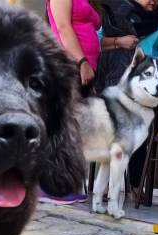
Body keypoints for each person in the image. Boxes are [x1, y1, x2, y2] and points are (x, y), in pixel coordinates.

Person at [95, 0, 158, 198]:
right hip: (114, 81)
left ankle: (135, 186)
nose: (153, 1)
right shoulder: (116, 15)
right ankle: (104, 188)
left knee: (139, 137)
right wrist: (119, 41)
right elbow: (96, 43)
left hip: (142, 89)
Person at [40, 0, 102, 204]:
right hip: (69, 65)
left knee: (73, 127)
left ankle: (60, 185)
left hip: (84, 71)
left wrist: (118, 42)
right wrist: (82, 62)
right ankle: (51, 188)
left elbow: (94, 33)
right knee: (63, 126)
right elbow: (63, 27)